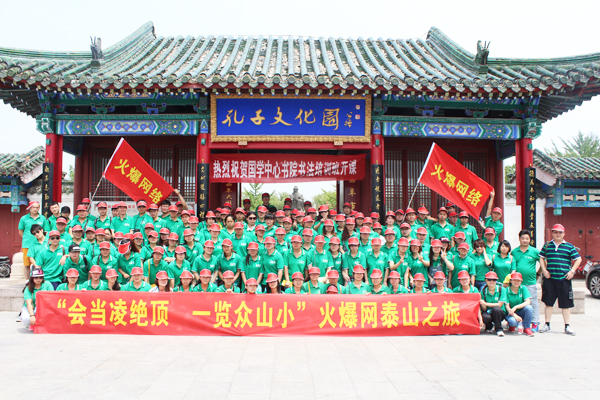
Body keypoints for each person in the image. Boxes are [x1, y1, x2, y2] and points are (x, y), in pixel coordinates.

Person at [539, 224, 581, 335]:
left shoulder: (569, 246)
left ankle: (567, 326)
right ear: (552, 233)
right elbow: (541, 257)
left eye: (560, 232)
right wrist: (544, 270)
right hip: (550, 279)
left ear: (564, 234)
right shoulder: (547, 245)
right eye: (555, 232)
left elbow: (578, 259)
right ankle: (547, 324)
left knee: (566, 304)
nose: (558, 234)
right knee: (548, 303)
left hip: (564, 279)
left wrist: (572, 271)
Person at [511, 229, 541, 332]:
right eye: (523, 238)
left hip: (530, 282)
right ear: (519, 239)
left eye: (527, 238)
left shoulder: (535, 251)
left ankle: (535, 323)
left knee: (533, 302)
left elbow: (543, 263)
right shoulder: (514, 252)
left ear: (530, 239)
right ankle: (519, 322)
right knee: (518, 302)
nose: (525, 240)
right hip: (517, 283)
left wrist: (539, 273)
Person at [18, 201, 49, 279]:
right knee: (27, 264)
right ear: (30, 208)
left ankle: (41, 278)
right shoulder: (24, 218)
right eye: (33, 207)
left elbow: (46, 231)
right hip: (27, 244)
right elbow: (20, 231)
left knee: (40, 261)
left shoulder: (42, 218)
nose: (35, 209)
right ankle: (27, 280)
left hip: (40, 244)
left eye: (37, 207)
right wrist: (27, 238)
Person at [501, 272, 534, 336]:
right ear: (510, 281)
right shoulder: (506, 290)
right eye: (514, 280)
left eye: (518, 280)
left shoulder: (523, 288)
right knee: (513, 322)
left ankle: (527, 328)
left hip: (521, 311)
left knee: (529, 308)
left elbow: (528, 302)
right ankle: (511, 325)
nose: (516, 282)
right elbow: (507, 306)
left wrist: (516, 307)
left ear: (521, 281)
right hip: (510, 313)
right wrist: (515, 315)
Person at [480, 271, 506, 336]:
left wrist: (485, 303)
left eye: (494, 280)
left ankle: (499, 329)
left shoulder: (501, 289)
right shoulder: (483, 291)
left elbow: (499, 305)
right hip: (488, 312)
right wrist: (482, 303)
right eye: (489, 279)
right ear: (486, 280)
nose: (492, 281)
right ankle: (489, 326)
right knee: (484, 317)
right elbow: (484, 309)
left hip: (499, 313)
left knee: (496, 309)